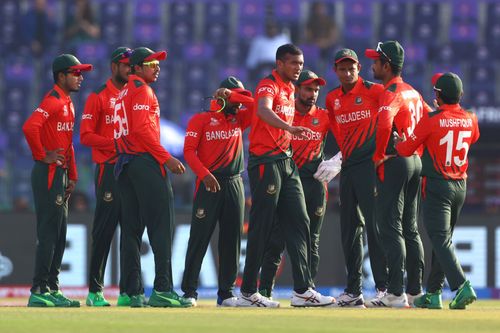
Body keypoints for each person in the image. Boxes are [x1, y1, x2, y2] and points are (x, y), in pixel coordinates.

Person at [236, 44, 334, 308]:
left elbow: (258, 106)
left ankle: (302, 290)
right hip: (265, 161)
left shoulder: (290, 88)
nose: (298, 67)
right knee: (262, 226)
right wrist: (290, 127)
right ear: (279, 64)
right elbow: (263, 109)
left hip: (285, 160)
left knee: (300, 220)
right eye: (294, 63)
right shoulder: (269, 84)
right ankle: (248, 291)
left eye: (301, 63)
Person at [113, 47, 191, 308]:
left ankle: (132, 293)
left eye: (158, 64)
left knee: (132, 230)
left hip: (124, 165)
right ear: (135, 67)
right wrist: (165, 158)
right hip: (144, 162)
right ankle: (163, 289)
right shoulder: (142, 91)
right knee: (161, 226)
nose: (157, 67)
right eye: (151, 63)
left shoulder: (122, 93)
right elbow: (143, 132)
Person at [395, 72, 479, 310]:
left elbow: (405, 149)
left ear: (438, 96)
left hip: (437, 185)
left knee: (440, 239)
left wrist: (396, 142)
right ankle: (433, 293)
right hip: (460, 185)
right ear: (461, 95)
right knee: (445, 241)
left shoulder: (431, 120)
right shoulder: (472, 118)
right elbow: (472, 138)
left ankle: (462, 286)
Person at [364, 41, 432, 307]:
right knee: (410, 229)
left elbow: (383, 123)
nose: (372, 65)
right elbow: (429, 120)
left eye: (376, 61)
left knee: (389, 226)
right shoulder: (413, 92)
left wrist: (380, 154)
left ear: (387, 65)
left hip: (396, 161)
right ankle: (414, 291)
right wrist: (419, 151)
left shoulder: (391, 92)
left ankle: (394, 293)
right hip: (414, 160)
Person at [23, 54, 92, 307]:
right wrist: (43, 156)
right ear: (61, 76)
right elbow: (30, 127)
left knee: (60, 234)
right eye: (75, 72)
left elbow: (68, 144)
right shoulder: (52, 100)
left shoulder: (68, 103)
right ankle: (38, 289)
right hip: (48, 173)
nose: (80, 77)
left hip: (60, 174)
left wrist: (72, 174)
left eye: (80, 73)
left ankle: (52, 288)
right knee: (49, 232)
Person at [256, 70, 333, 298]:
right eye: (308, 89)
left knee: (312, 241)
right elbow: (258, 108)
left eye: (316, 90)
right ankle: (264, 291)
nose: (313, 94)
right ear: (297, 89)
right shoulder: (285, 114)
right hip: (289, 181)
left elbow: (348, 138)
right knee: (276, 239)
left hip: (315, 184)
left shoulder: (325, 117)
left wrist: (336, 162)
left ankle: (307, 290)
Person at [181, 77, 253, 307]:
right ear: (222, 97)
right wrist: (204, 174)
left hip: (234, 183)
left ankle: (226, 293)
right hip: (208, 183)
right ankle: (189, 291)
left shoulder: (239, 118)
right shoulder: (200, 119)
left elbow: (256, 103)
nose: (238, 103)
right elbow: (189, 152)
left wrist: (235, 95)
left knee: (231, 240)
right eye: (235, 97)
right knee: (199, 238)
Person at [325, 49, 389, 308]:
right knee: (349, 229)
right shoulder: (332, 99)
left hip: (370, 167)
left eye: (351, 67)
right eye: (342, 68)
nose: (347, 72)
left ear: (359, 68)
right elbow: (337, 132)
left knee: (375, 228)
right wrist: (339, 159)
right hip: (349, 167)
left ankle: (385, 288)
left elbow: (390, 117)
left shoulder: (375, 92)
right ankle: (353, 290)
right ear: (336, 71)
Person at [80, 47, 132, 307]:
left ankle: (127, 292)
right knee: (104, 230)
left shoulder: (134, 95)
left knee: (131, 231)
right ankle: (94, 291)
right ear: (113, 67)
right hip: (109, 169)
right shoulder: (98, 96)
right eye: (125, 64)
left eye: (131, 65)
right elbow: (85, 135)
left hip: (131, 170)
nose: (129, 69)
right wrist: (117, 144)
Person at [246, 20, 291, 85]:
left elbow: (290, 59)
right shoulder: (258, 41)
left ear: (277, 28)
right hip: (262, 69)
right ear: (266, 29)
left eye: (273, 28)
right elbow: (251, 62)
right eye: (269, 28)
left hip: (278, 68)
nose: (271, 30)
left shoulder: (283, 40)